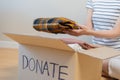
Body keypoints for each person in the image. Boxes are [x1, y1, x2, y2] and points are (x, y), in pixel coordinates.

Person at [61, 0, 120, 79]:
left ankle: (97, 67)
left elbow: (115, 33)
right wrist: (74, 28)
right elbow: (88, 28)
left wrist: (87, 32)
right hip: (96, 51)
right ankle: (98, 67)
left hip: (116, 54)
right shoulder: (92, 1)